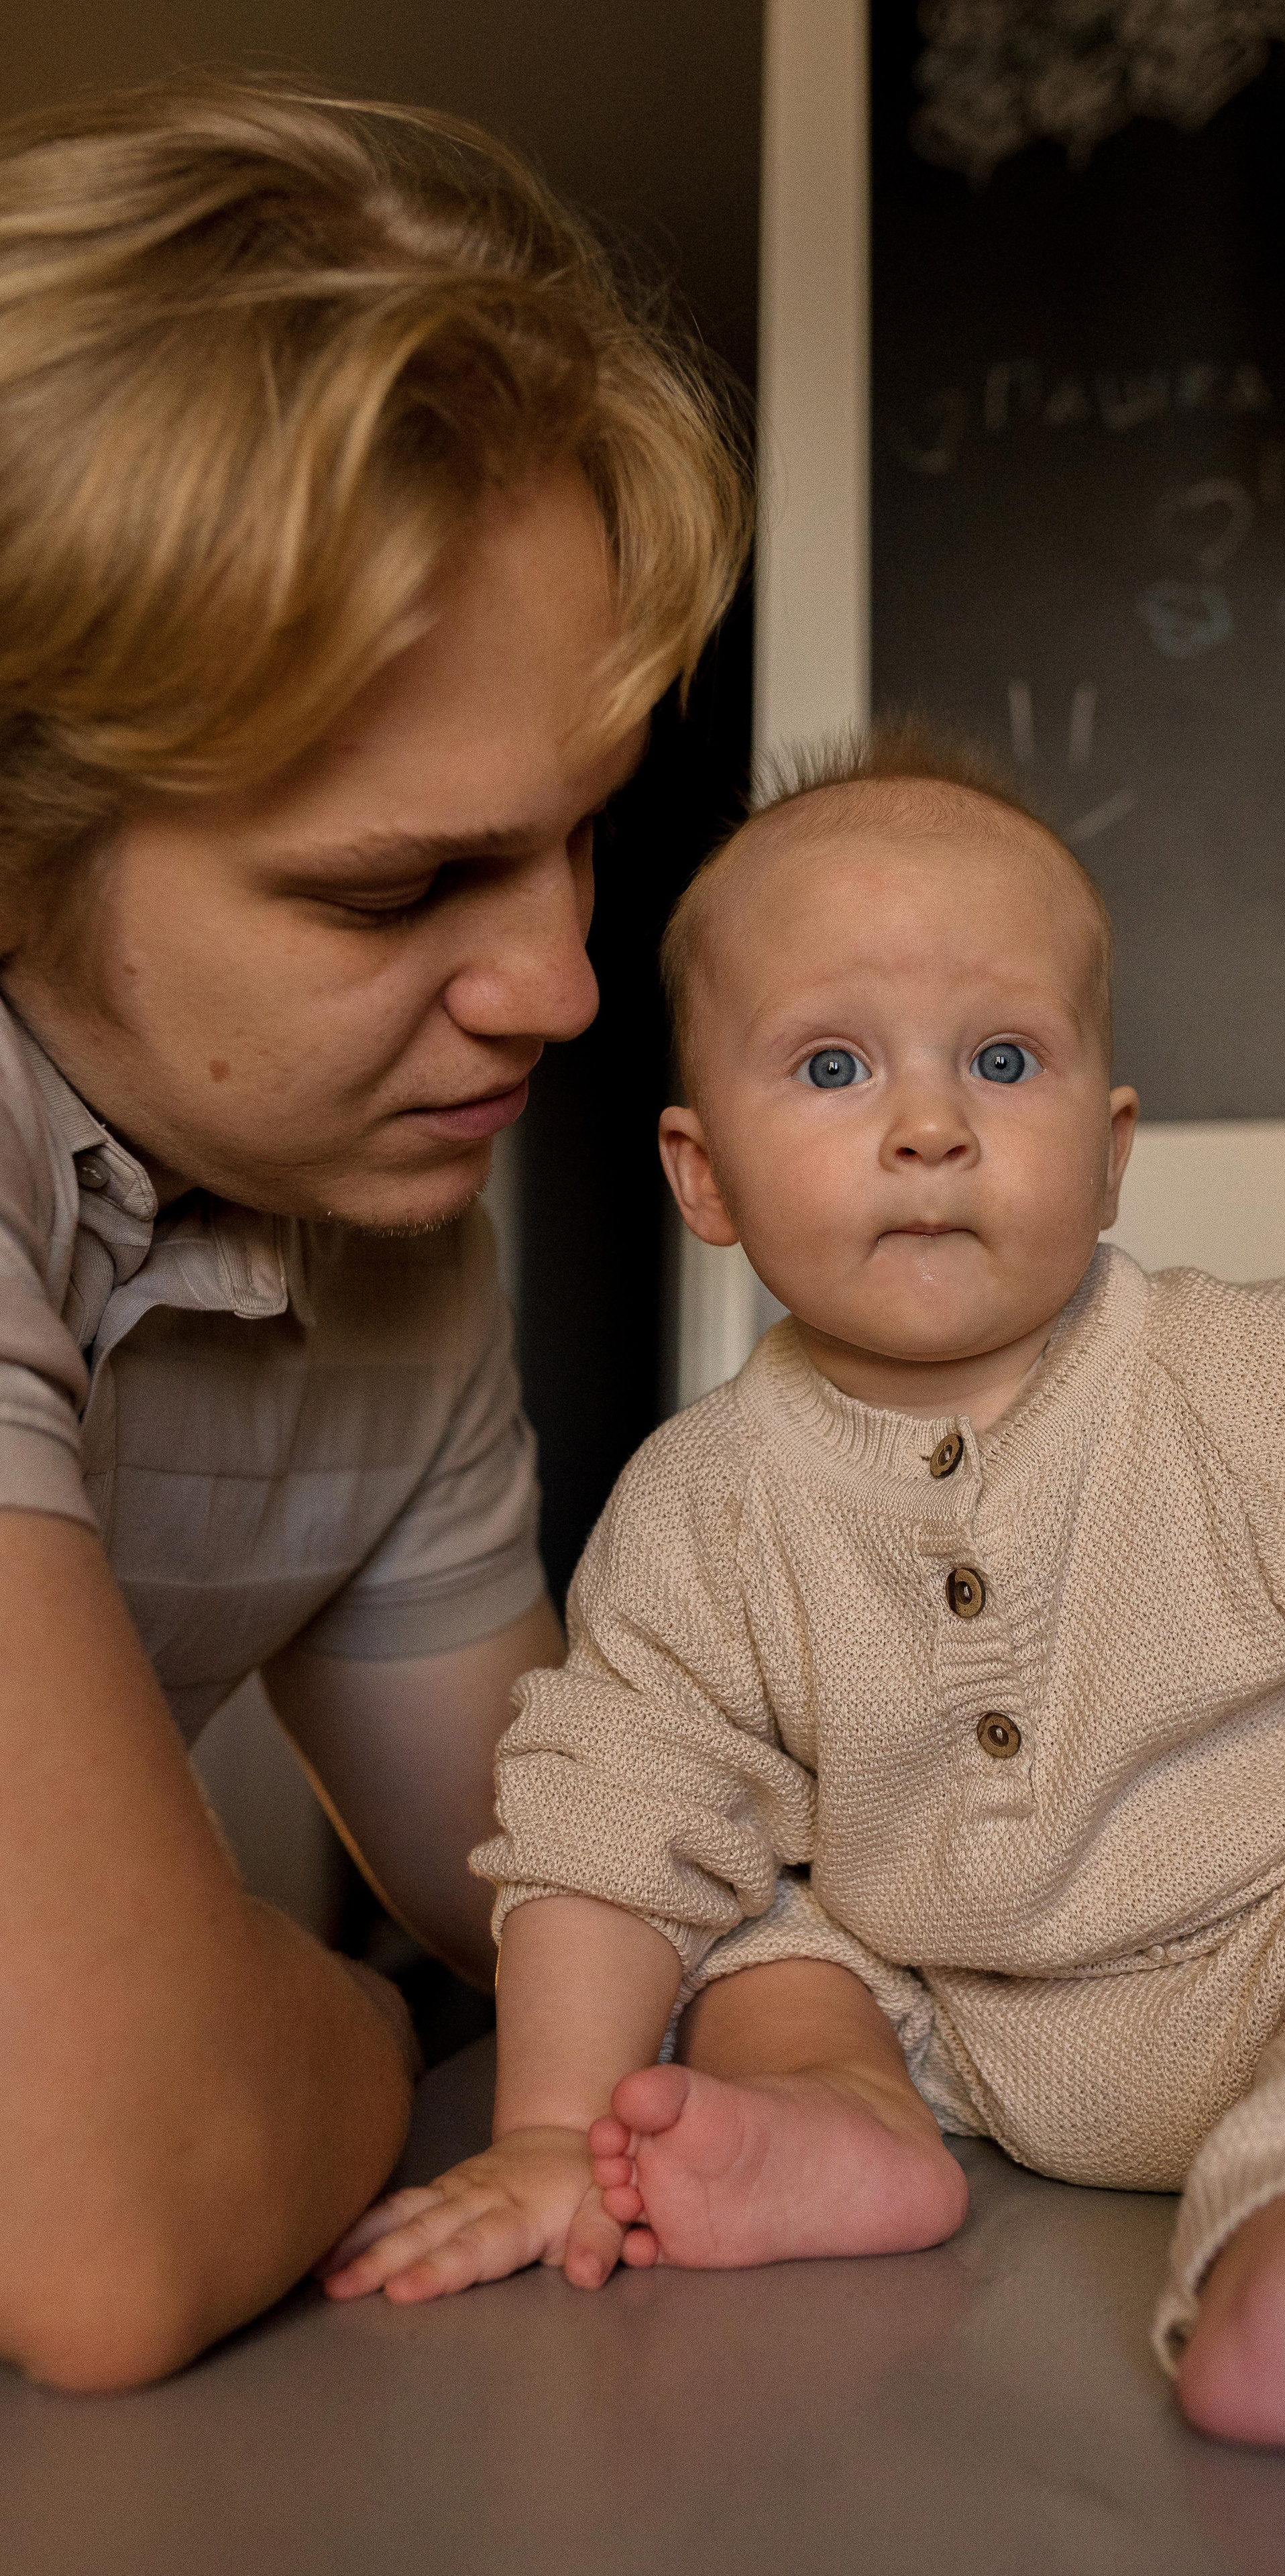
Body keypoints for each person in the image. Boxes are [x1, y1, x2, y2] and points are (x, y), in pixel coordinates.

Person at [325, 724, 1285, 2451]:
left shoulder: (1255, 1375)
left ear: (1112, 1143)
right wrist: (548, 2133)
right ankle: (835, 2129)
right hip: (939, 2016)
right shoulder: (700, 1505)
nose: (926, 1126)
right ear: (703, 1176)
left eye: (999, 1057)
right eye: (832, 1069)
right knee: (753, 1935)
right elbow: (609, 1824)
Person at [0, 74, 747, 2391]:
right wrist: (322, 2011)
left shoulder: (373, 1212)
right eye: (396, 886)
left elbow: (560, 1888)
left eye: (578, 838)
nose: (563, 993)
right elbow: (113, 2209)